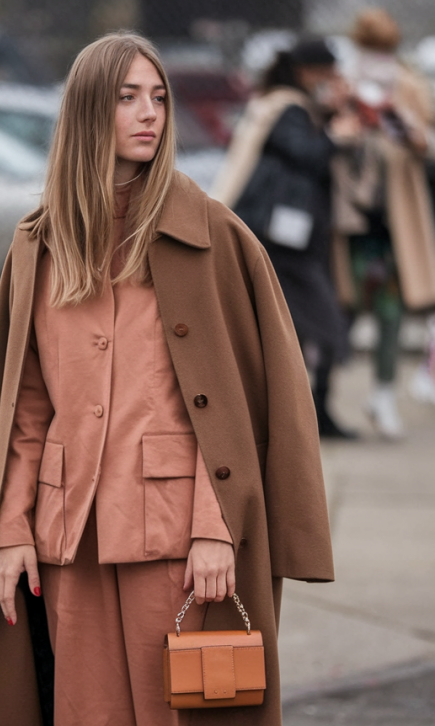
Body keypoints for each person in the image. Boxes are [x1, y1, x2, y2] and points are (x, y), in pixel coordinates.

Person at [0, 32, 333, 726]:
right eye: (127, 97)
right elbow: (23, 407)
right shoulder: (42, 241)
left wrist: (218, 530)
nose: (149, 113)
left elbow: (236, 404)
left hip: (180, 534)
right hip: (70, 535)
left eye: (157, 95)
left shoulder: (207, 232)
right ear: (87, 113)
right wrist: (13, 529)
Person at [212, 38, 361, 439]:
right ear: (309, 72)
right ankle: (305, 413)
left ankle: (302, 413)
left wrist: (330, 116)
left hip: (287, 239)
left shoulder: (282, 105)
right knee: (322, 324)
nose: (330, 82)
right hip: (282, 241)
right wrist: (336, 134)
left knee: (288, 328)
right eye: (327, 74)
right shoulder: (288, 108)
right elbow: (305, 155)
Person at [332, 8, 435, 438]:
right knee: (344, 305)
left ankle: (384, 394)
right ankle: (321, 396)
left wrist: (403, 129)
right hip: (348, 219)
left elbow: (427, 142)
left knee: (390, 309)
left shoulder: (408, 84)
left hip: (394, 220)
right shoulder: (342, 82)